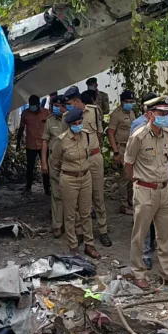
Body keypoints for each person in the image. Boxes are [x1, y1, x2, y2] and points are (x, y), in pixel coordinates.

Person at [124, 96, 168, 289]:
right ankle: (138, 272)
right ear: (150, 114)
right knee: (140, 234)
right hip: (145, 189)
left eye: (167, 113)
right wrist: (137, 181)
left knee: (166, 234)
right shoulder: (139, 136)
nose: (165, 117)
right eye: (161, 113)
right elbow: (128, 162)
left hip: (165, 189)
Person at [64, 87, 112, 246]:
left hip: (94, 157)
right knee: (80, 199)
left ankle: (103, 230)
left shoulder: (94, 111)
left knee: (98, 196)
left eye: (70, 103)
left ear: (77, 101)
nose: (68, 107)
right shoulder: (67, 117)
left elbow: (99, 132)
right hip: (79, 161)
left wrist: (95, 149)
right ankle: (80, 232)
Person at [51, 108, 100, 258]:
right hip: (69, 179)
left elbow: (88, 154)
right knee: (70, 215)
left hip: (85, 177)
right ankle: (73, 247)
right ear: (69, 125)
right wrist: (66, 173)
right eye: (75, 124)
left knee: (86, 213)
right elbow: (55, 162)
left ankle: (89, 245)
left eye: (80, 122)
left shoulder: (86, 135)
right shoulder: (61, 140)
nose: (78, 125)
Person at [41, 95, 68, 237]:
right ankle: (57, 225)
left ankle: (71, 224)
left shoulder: (70, 119)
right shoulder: (50, 120)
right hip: (54, 160)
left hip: (69, 159)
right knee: (56, 193)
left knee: (70, 192)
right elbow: (45, 141)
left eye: (59, 106)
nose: (57, 108)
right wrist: (44, 162)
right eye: (55, 106)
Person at [109, 90, 136, 215]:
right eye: (127, 102)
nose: (129, 104)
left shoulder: (132, 112)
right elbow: (110, 133)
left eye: (131, 102)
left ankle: (130, 200)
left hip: (132, 148)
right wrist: (116, 152)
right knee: (124, 177)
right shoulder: (116, 114)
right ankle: (123, 205)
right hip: (121, 148)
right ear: (122, 102)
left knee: (132, 176)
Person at [17, 94, 51, 194]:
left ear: (38, 104)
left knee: (45, 166)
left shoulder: (46, 112)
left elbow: (51, 127)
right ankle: (28, 187)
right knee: (30, 167)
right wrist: (18, 142)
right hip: (30, 144)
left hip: (43, 144)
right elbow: (21, 128)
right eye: (31, 105)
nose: (32, 107)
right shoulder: (25, 113)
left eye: (34, 105)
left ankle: (47, 188)